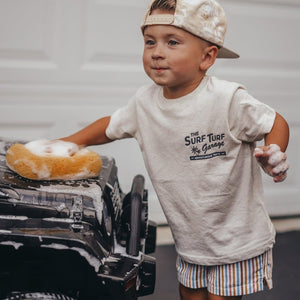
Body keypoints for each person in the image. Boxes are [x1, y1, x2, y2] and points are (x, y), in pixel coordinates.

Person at [60, 0, 290, 299]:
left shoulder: (227, 99)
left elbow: (275, 120)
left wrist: (273, 150)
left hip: (236, 237)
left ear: (207, 57)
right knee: (188, 293)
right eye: (150, 41)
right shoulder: (144, 104)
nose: (157, 51)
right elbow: (109, 126)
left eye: (172, 42)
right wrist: (68, 142)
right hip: (191, 239)